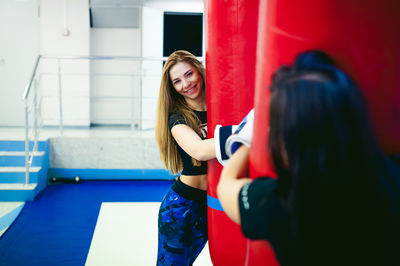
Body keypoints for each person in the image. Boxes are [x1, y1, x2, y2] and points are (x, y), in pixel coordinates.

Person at [217, 51, 400, 266]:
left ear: (288, 139)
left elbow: (226, 186)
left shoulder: (279, 204)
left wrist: (248, 140)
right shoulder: (392, 179)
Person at [155, 50, 215, 265]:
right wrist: (242, 136)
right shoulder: (178, 118)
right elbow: (199, 150)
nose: (186, 84)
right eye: (177, 81)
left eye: (188, 74)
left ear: (198, 69)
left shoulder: (221, 107)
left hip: (214, 203)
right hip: (182, 207)